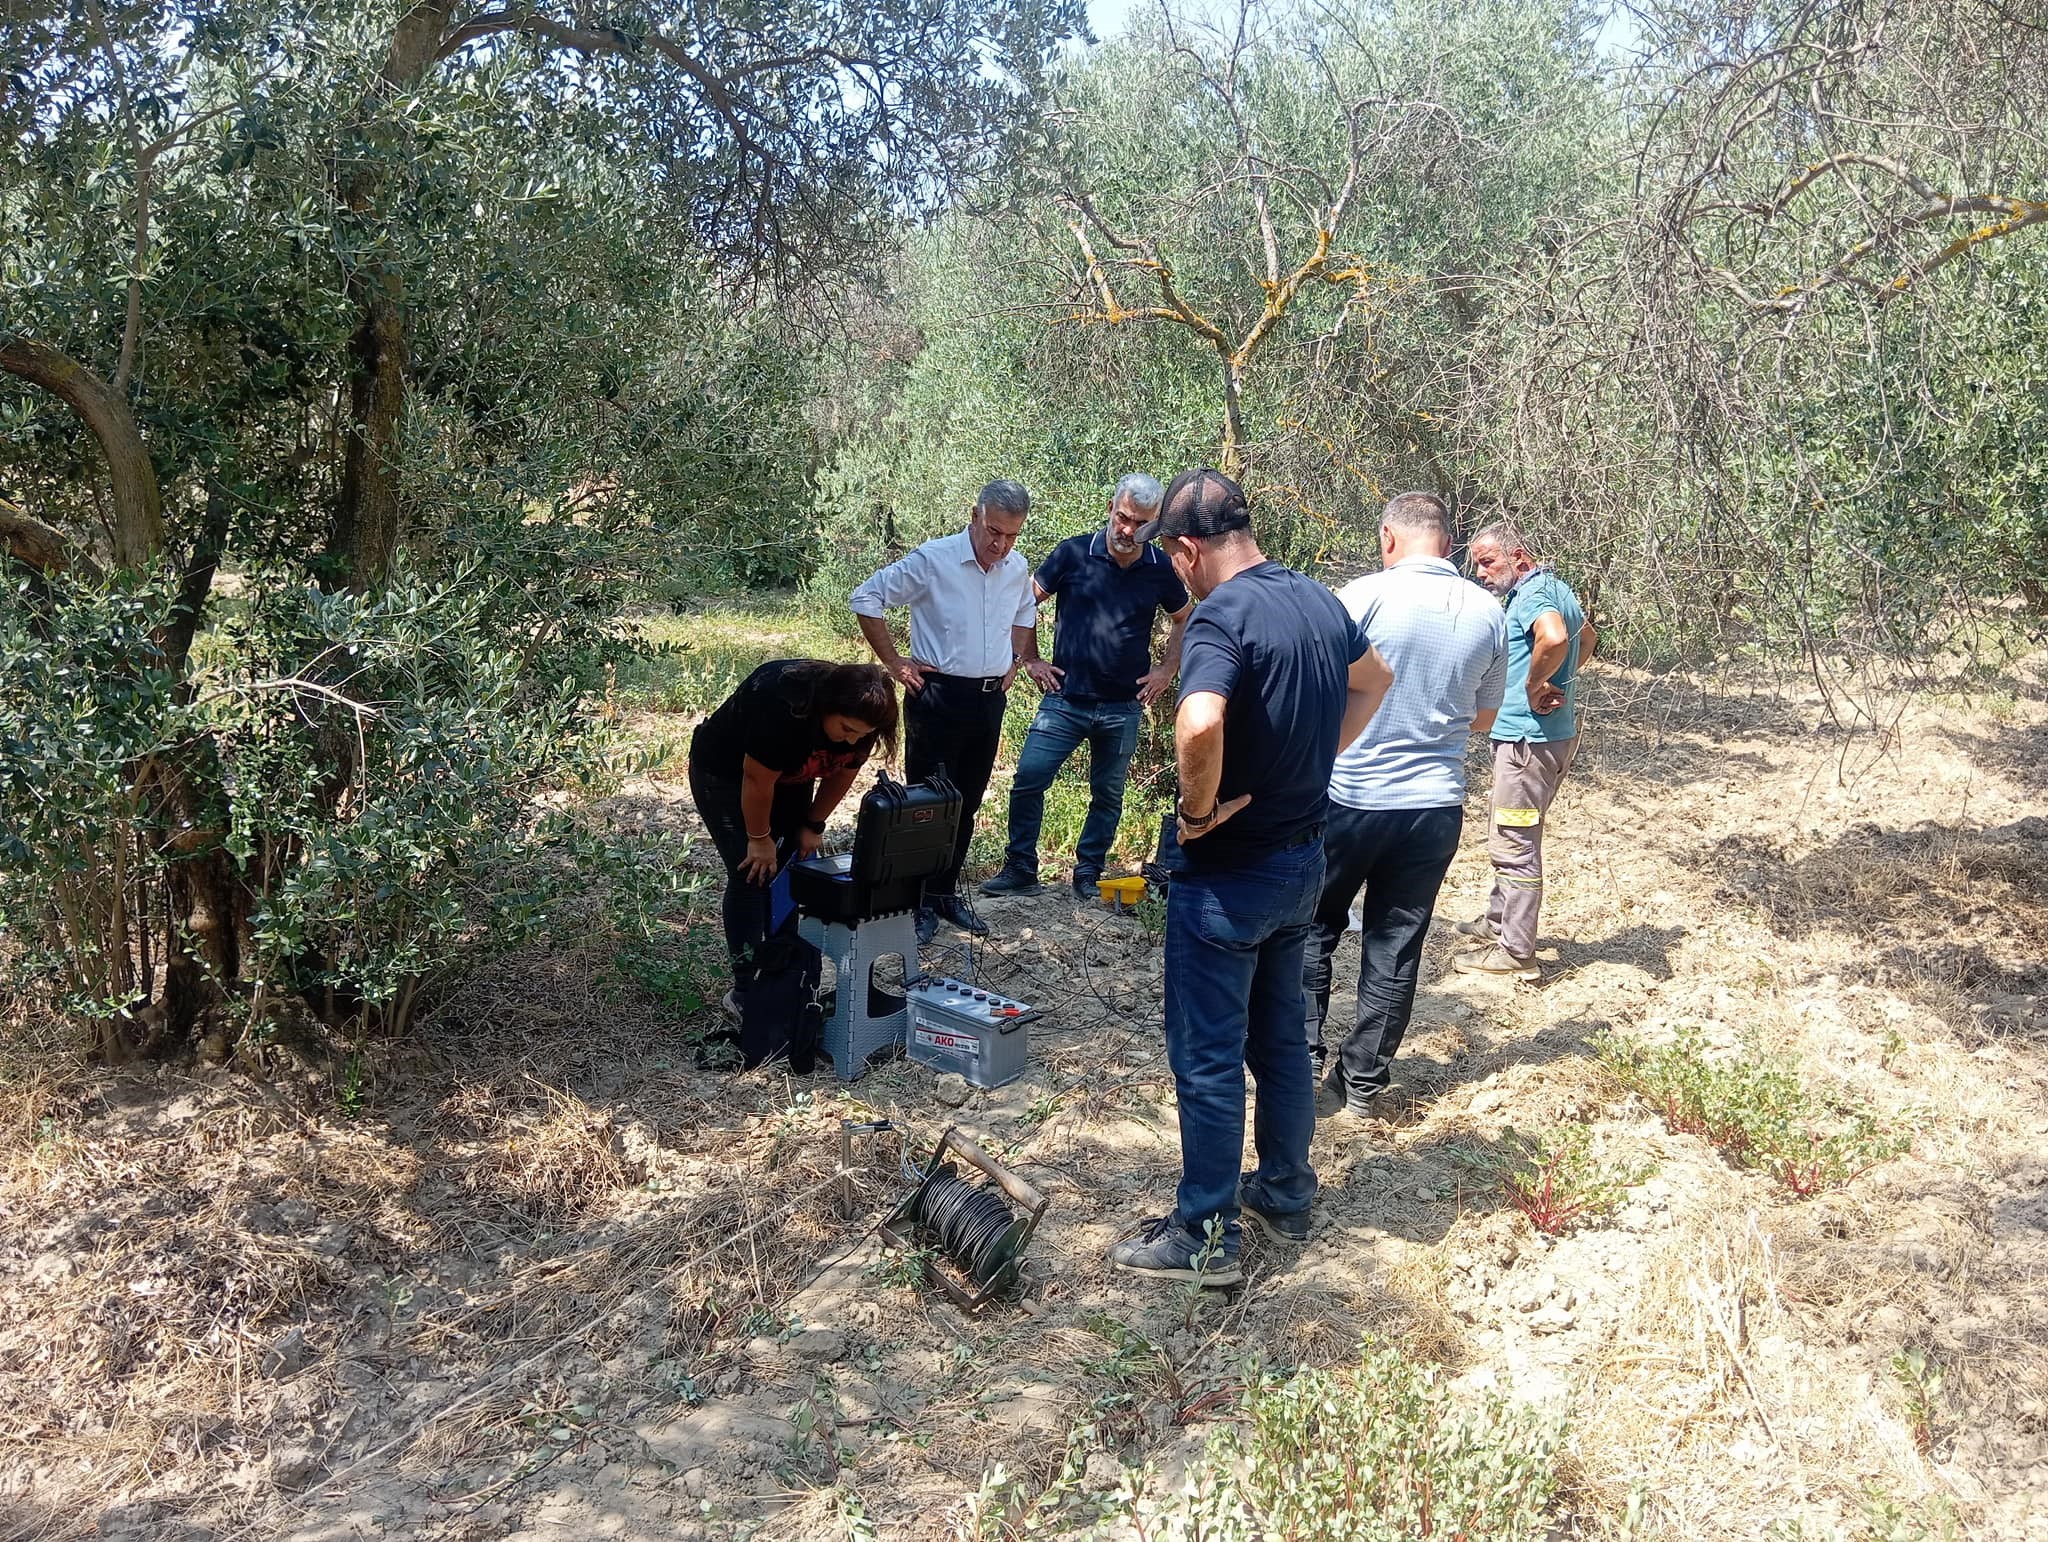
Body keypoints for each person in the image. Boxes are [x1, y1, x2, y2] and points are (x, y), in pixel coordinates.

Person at [1107, 469, 1393, 1285]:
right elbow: (1376, 680)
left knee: (1205, 1059)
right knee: (1279, 1044)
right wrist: (1318, 757)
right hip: (1303, 858)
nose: (1176, 574)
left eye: (1175, 558)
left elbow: (1199, 720)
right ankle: (1286, 1192)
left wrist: (1196, 817)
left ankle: (1203, 1237)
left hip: (1228, 878)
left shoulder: (1220, 616)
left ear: (1189, 549)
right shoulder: (1315, 599)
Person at [1302, 492, 1506, 1119]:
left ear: (1389, 538)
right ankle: (1362, 1082)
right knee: (1396, 944)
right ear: (1446, 542)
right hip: (1435, 804)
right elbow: (1485, 717)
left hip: (1353, 794)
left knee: (1312, 927)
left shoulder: (1359, 598)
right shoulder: (1489, 611)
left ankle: (1299, 1058)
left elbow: (1318, 692)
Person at [850, 480, 1058, 945]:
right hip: (936, 695)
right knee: (927, 806)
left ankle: (944, 894)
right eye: (993, 531)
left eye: (1011, 536)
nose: (999, 544)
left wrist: (1017, 659)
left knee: (967, 801)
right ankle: (916, 901)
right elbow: (866, 598)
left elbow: (1026, 612)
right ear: (974, 515)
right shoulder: (934, 559)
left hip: (988, 700)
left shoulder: (1016, 566)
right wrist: (894, 661)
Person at [980, 474, 1192, 903]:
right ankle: (1021, 866)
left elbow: (1184, 617)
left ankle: (1088, 870)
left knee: (1108, 794)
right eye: (1124, 517)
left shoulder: (1159, 568)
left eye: (1141, 523)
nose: (1129, 530)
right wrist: (1031, 659)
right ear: (1111, 509)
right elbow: (1024, 602)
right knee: (1028, 781)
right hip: (1064, 700)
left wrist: (1167, 670)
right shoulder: (1074, 553)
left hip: (1122, 707)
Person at [687, 660, 899, 999]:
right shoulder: (783, 707)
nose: (853, 739)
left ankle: (783, 970)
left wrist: (813, 823)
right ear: (826, 706)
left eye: (861, 734)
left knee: (789, 869)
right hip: (726, 774)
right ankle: (747, 990)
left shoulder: (863, 719)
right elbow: (756, 780)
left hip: (788, 777)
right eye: (846, 729)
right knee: (752, 872)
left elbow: (844, 773)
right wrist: (758, 839)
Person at [1454, 522, 1596, 982]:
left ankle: (1516, 950)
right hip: (1552, 737)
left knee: (1513, 843)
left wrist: (1536, 684)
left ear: (1520, 557)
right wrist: (1561, 680)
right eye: (1477, 562)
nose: (1480, 571)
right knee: (1513, 832)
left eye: (1488, 561)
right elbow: (1586, 638)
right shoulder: (1555, 586)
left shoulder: (1535, 594)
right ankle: (1498, 920)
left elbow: (1554, 638)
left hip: (1528, 745)